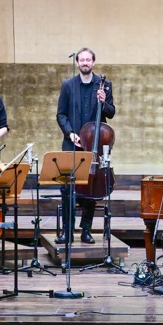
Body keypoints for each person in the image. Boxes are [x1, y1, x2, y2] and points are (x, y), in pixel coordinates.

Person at [55, 47, 114, 244]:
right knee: (67, 188)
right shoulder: (68, 85)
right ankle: (67, 231)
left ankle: (86, 230)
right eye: (82, 60)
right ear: (77, 62)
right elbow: (61, 114)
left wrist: (104, 102)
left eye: (88, 60)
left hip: (94, 146)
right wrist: (70, 133)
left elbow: (111, 113)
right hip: (72, 144)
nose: (85, 63)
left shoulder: (104, 85)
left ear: (93, 62)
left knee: (91, 188)